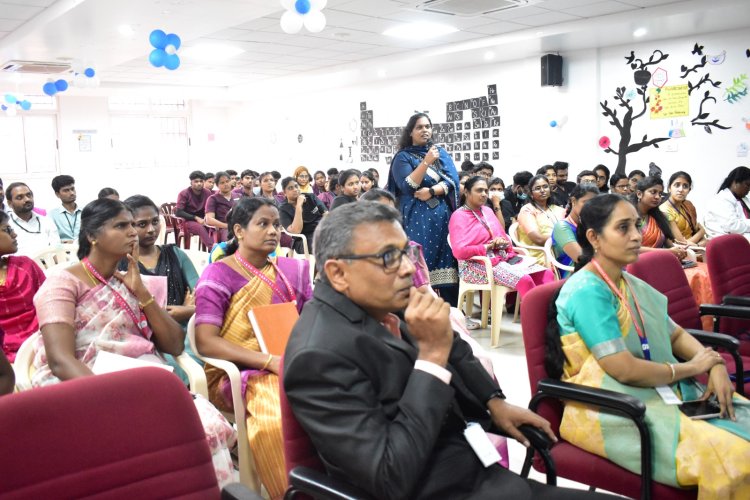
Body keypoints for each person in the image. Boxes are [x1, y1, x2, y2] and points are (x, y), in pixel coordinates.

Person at [284, 202, 613, 500]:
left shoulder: (380, 297)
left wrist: (492, 401)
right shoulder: (318, 355)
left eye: (406, 253)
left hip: (476, 474)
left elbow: (451, 345)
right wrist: (430, 359)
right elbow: (388, 478)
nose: (407, 270)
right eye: (388, 257)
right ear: (338, 273)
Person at [547, 193, 750, 498]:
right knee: (735, 459)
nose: (636, 236)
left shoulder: (628, 283)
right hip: (614, 408)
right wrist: (693, 368)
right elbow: (623, 370)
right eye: (623, 228)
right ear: (594, 238)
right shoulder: (586, 291)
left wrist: (715, 363)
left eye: (637, 226)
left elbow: (676, 335)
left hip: (658, 392)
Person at [31, 198, 236, 486]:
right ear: (92, 235)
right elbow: (60, 361)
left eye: (132, 225)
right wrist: (117, 401)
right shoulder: (62, 283)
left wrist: (142, 293)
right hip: (85, 383)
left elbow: (175, 346)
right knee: (146, 442)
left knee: (208, 427)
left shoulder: (130, 281)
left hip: (142, 377)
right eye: (121, 226)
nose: (133, 232)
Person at [195, 197, 312, 499]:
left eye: (276, 224)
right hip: (240, 373)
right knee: (278, 415)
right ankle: (292, 492)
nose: (273, 231)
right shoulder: (218, 274)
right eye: (263, 224)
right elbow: (206, 340)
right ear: (239, 230)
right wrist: (268, 361)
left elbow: (313, 320)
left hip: (292, 362)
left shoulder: (292, 270)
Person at [386, 113, 459, 304]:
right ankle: (419, 307)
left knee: (446, 260)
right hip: (415, 217)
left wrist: (433, 191)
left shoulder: (440, 153)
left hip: (441, 217)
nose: (425, 130)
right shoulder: (403, 157)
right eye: (419, 127)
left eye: (428, 126)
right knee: (420, 258)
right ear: (410, 132)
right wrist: (426, 162)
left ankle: (450, 309)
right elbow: (408, 186)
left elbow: (453, 181)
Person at [450, 177, 553, 297]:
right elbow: (459, 251)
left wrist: (501, 242)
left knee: (546, 274)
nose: (484, 194)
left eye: (485, 191)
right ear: (467, 192)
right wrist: (488, 246)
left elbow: (501, 235)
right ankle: (534, 313)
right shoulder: (459, 216)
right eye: (479, 190)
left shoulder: (487, 210)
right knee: (524, 280)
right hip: (474, 265)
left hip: (500, 258)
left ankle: (548, 311)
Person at [121, 195, 198, 325]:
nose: (151, 230)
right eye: (142, 224)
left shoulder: (176, 255)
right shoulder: (121, 264)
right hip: (139, 338)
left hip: (183, 335)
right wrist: (185, 310)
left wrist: (190, 311)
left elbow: (202, 293)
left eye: (155, 222)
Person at [0, 210, 46, 362]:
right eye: (7, 230)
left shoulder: (25, 266)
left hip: (43, 341)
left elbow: (50, 302)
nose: (14, 234)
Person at [631, 176, 688, 259]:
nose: (657, 197)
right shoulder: (628, 217)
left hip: (658, 262)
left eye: (660, 194)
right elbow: (631, 249)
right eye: (653, 192)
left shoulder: (659, 217)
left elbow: (669, 245)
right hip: (633, 265)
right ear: (639, 194)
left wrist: (679, 251)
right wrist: (669, 252)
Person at [517, 174, 565, 265]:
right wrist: (564, 238)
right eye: (538, 188)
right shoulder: (527, 210)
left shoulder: (557, 209)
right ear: (531, 194)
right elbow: (538, 239)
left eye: (545, 187)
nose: (542, 190)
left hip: (560, 250)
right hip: (540, 254)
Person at [551, 184, 599, 274]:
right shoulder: (562, 227)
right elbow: (582, 259)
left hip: (596, 270)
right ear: (573, 201)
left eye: (594, 204)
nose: (591, 207)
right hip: (574, 276)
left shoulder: (591, 225)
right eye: (586, 202)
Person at [5, 182, 60, 257]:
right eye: (19, 197)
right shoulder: (5, 225)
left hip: (47, 265)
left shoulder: (46, 221)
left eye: (29, 195)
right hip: (18, 267)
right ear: (10, 203)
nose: (27, 199)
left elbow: (56, 250)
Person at [278, 176, 327, 254]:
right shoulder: (282, 209)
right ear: (284, 192)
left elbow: (326, 215)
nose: (295, 189)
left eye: (296, 186)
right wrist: (299, 205)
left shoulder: (311, 197)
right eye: (290, 188)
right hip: (303, 240)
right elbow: (296, 231)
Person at [660, 171, 707, 246]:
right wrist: (702, 232)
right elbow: (682, 243)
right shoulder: (664, 210)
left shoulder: (688, 205)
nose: (681, 189)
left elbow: (695, 230)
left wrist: (702, 240)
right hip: (680, 252)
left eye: (685, 186)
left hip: (694, 246)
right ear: (669, 188)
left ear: (689, 190)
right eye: (677, 185)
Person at [703, 166, 750, 239]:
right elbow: (733, 227)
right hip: (726, 243)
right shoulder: (720, 200)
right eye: (747, 185)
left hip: (741, 238)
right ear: (735, 183)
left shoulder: (744, 199)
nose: (749, 189)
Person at [175, 170, 213, 249]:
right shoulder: (184, 193)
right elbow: (178, 212)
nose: (199, 183)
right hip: (187, 221)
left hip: (203, 219)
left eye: (201, 181)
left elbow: (209, 208)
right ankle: (214, 249)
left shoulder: (207, 192)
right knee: (200, 227)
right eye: (196, 181)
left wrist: (207, 217)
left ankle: (220, 248)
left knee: (214, 227)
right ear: (191, 183)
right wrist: (195, 218)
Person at [205, 171, 236, 242]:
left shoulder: (238, 196)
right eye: (222, 183)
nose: (226, 184)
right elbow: (209, 219)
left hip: (239, 226)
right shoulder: (213, 199)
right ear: (217, 185)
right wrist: (227, 226)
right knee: (230, 242)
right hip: (223, 228)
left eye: (227, 181)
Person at [49, 175, 81, 243]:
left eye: (72, 189)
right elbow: (52, 240)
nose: (72, 193)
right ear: (57, 194)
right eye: (66, 190)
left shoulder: (86, 211)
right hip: (63, 251)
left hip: (84, 250)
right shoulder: (52, 215)